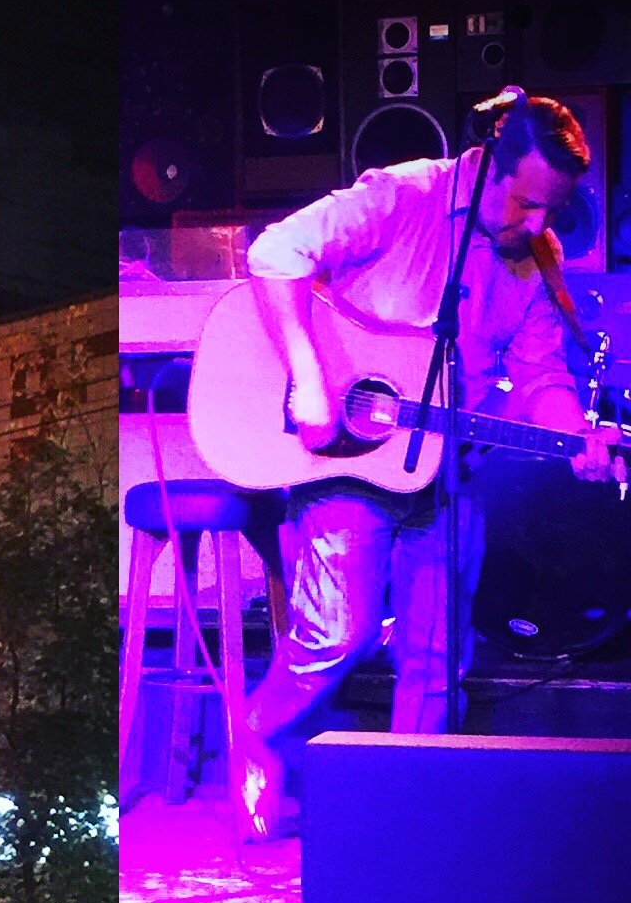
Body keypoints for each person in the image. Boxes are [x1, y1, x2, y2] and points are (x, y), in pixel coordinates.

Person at [236, 93, 626, 836]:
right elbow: (275, 253)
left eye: (551, 209)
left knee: (437, 653)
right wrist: (310, 378)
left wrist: (577, 434)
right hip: (349, 460)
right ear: (489, 167)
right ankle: (259, 739)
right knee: (337, 636)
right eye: (525, 203)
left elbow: (540, 375)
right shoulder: (404, 196)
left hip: (447, 470)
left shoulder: (536, 257)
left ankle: (409, 813)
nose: (537, 225)